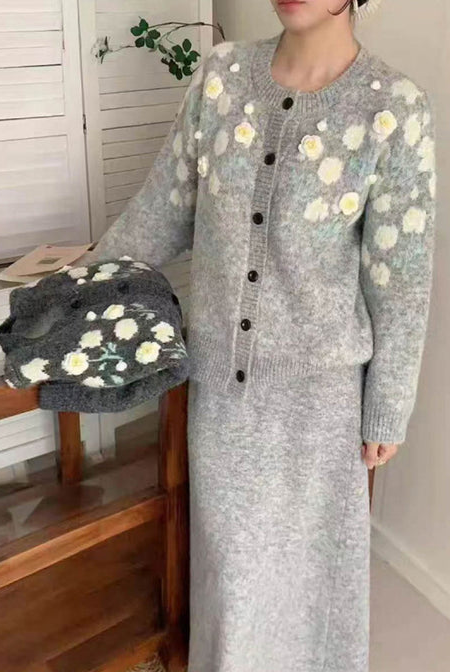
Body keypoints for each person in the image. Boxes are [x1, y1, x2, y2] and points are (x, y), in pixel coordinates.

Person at [77, 0, 437, 669]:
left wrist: (388, 405)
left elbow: (402, 277)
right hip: (224, 394)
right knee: (232, 580)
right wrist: (78, 286)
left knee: (315, 582)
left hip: (321, 406)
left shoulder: (392, 108)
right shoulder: (221, 79)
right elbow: (160, 211)